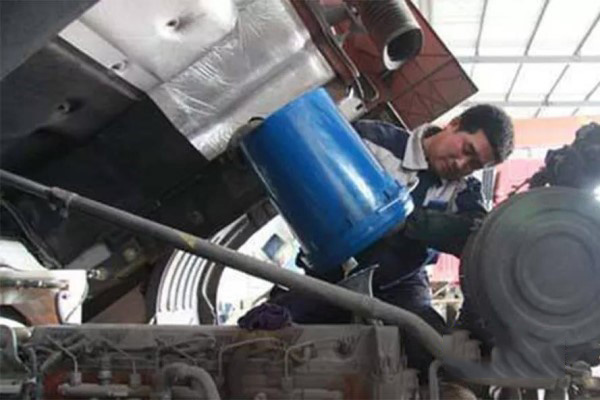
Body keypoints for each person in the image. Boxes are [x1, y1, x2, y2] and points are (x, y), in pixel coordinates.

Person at [270, 104, 514, 372]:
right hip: (332, 277)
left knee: (436, 357)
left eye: (474, 165)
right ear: (454, 123)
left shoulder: (464, 191)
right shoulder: (370, 142)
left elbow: (479, 236)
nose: (461, 164)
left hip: (403, 285)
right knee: (266, 340)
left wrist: (415, 223)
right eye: (467, 150)